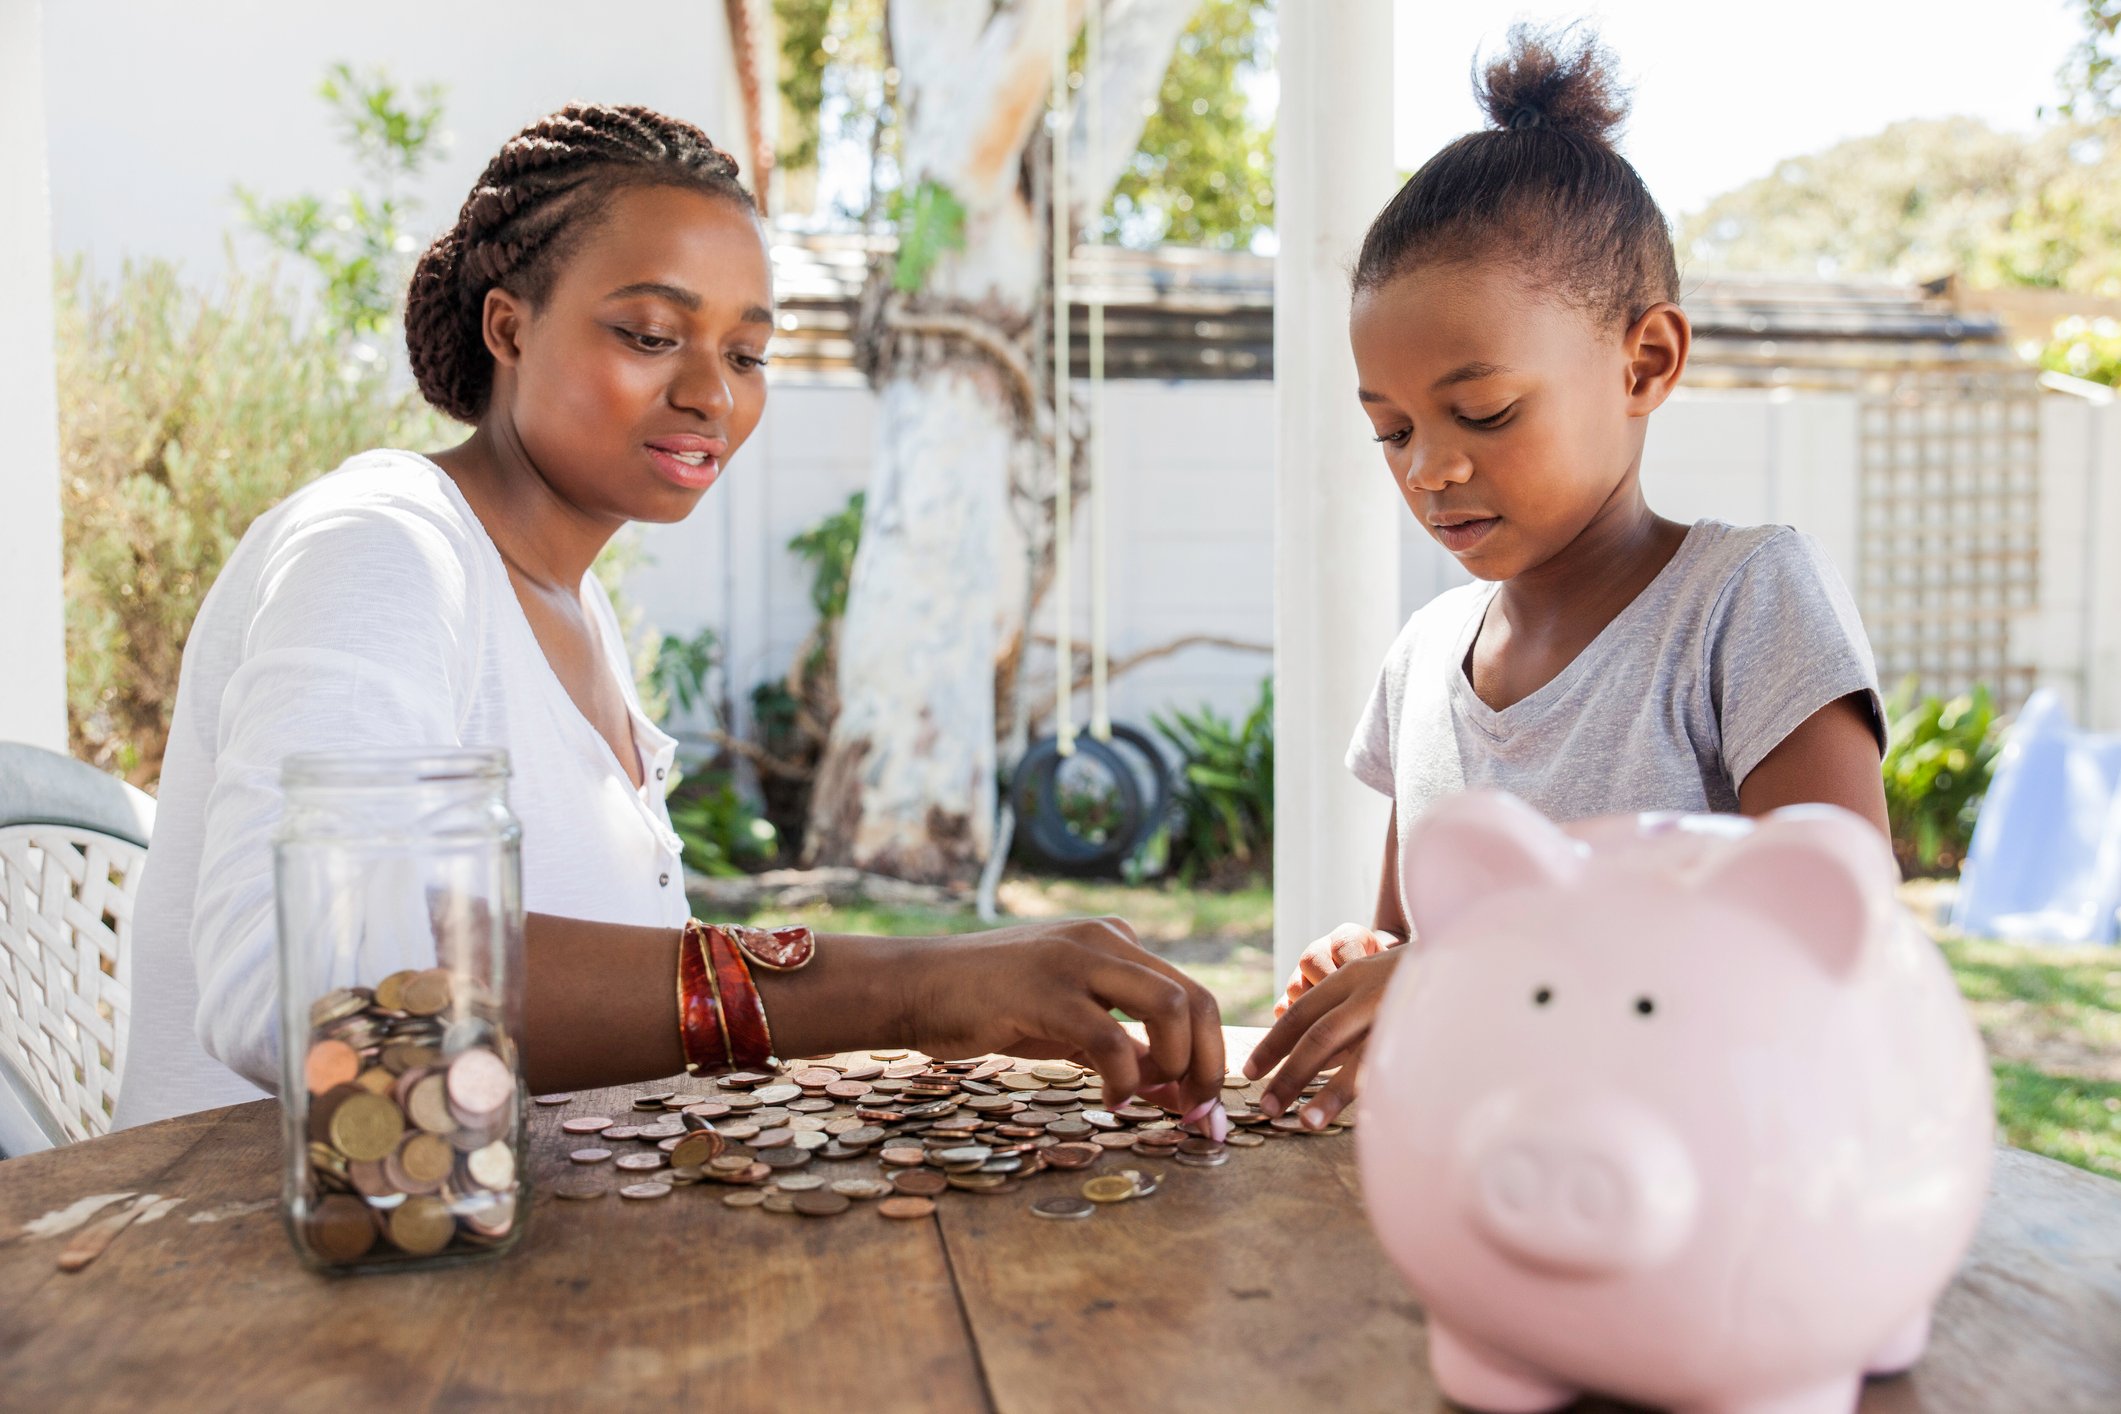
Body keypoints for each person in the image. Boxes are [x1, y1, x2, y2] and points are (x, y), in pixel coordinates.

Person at [115, 105, 1223, 1132]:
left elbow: (606, 995)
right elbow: (305, 987)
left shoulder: (573, 600)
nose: (713, 393)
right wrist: (914, 986)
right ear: (508, 327)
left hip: (511, 1249)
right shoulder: (381, 546)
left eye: (747, 354)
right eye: (651, 334)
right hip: (279, 1287)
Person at [1243, 28, 1890, 1130]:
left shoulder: (1742, 605)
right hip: (1483, 1195)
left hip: (1709, 1202)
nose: (1430, 468)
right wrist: (1371, 964)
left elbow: (1840, 945)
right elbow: (1422, 942)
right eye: (1390, 430)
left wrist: (1466, 976)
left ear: (1645, 363)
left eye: (1483, 412)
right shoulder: (1423, 661)